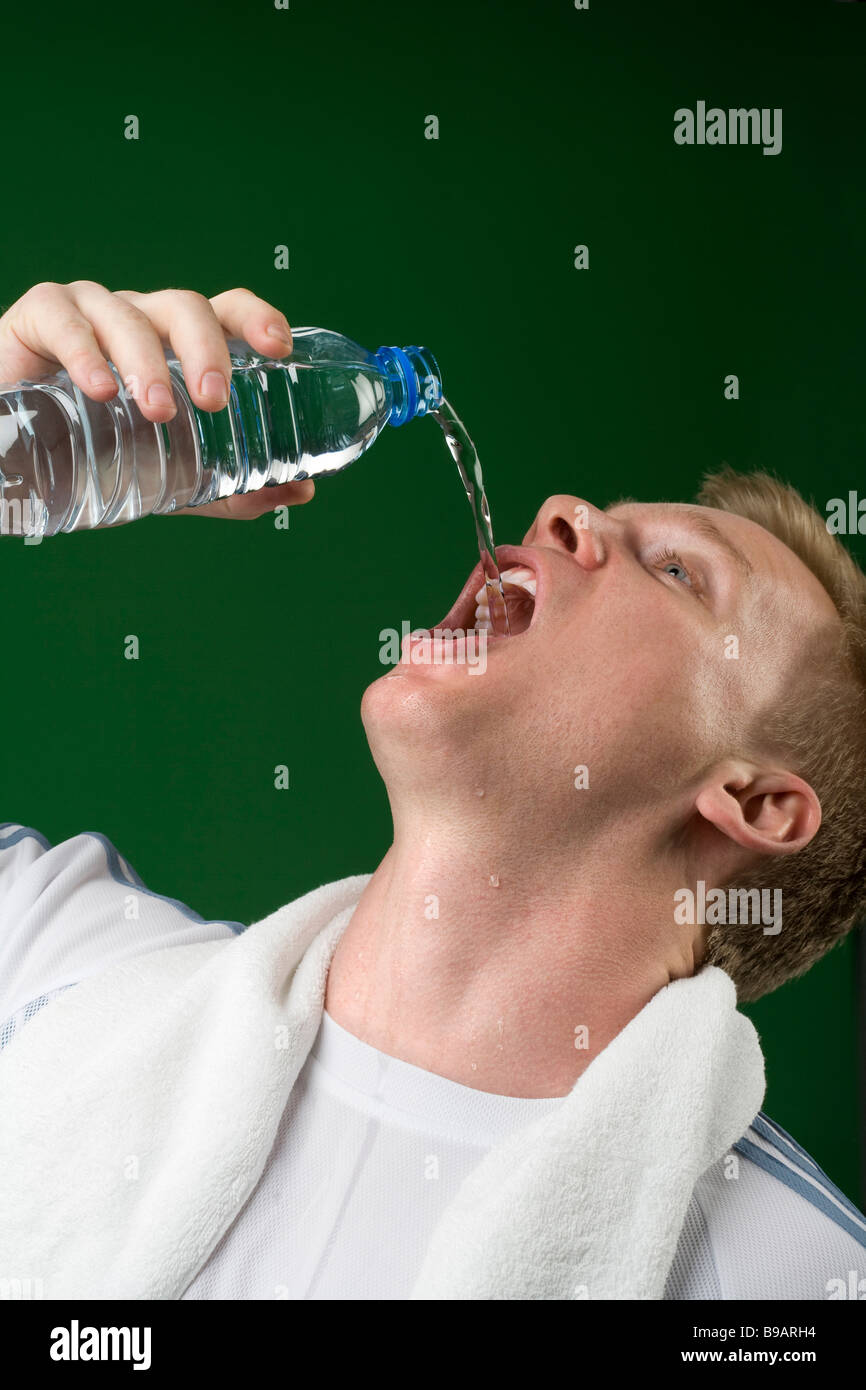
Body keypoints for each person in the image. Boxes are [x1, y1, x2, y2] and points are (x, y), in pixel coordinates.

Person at [0, 282, 864, 1302]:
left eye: (677, 572)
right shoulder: (52, 969)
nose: (564, 511)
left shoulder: (793, 1281)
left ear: (755, 803)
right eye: (586, 514)